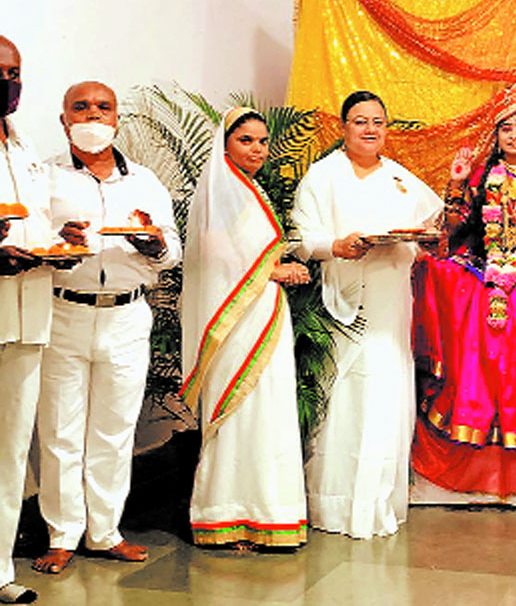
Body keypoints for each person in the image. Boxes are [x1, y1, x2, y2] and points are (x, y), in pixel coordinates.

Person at [32, 81, 181, 574]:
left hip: (127, 315)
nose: (93, 115)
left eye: (103, 107)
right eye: (81, 107)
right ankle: (61, 535)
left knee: (115, 430)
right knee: (60, 430)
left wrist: (155, 245)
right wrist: (57, 240)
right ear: (64, 120)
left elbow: (172, 248)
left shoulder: (144, 181)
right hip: (64, 313)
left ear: (117, 119)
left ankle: (105, 533)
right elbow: (28, 240)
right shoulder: (44, 177)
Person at [411, 81, 516, 496]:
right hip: (484, 264)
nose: (514, 136)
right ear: (497, 134)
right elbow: (457, 229)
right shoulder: (482, 175)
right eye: (507, 128)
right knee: (445, 277)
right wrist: (457, 184)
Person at [292, 90, 442, 538]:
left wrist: (425, 240)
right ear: (344, 127)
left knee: (385, 393)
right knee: (344, 397)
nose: (370, 129)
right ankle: (335, 505)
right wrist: (335, 245)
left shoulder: (399, 179)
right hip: (342, 300)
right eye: (360, 121)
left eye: (378, 121)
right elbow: (301, 237)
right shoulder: (323, 176)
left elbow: (426, 230)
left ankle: (379, 503)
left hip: (390, 299)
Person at [180, 107, 309, 549]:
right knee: (238, 413)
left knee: (269, 410)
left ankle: (269, 515)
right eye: (245, 140)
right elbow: (214, 254)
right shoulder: (222, 191)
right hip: (237, 319)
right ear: (225, 143)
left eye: (262, 141)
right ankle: (226, 515)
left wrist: (274, 271)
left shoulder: (249, 189)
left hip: (265, 312)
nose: (257, 149)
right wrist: (273, 271)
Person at [0, 35, 49, 604]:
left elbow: (36, 224)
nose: (7, 82)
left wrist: (62, 239)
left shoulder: (26, 146)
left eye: (15, 73)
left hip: (29, 313)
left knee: (11, 449)